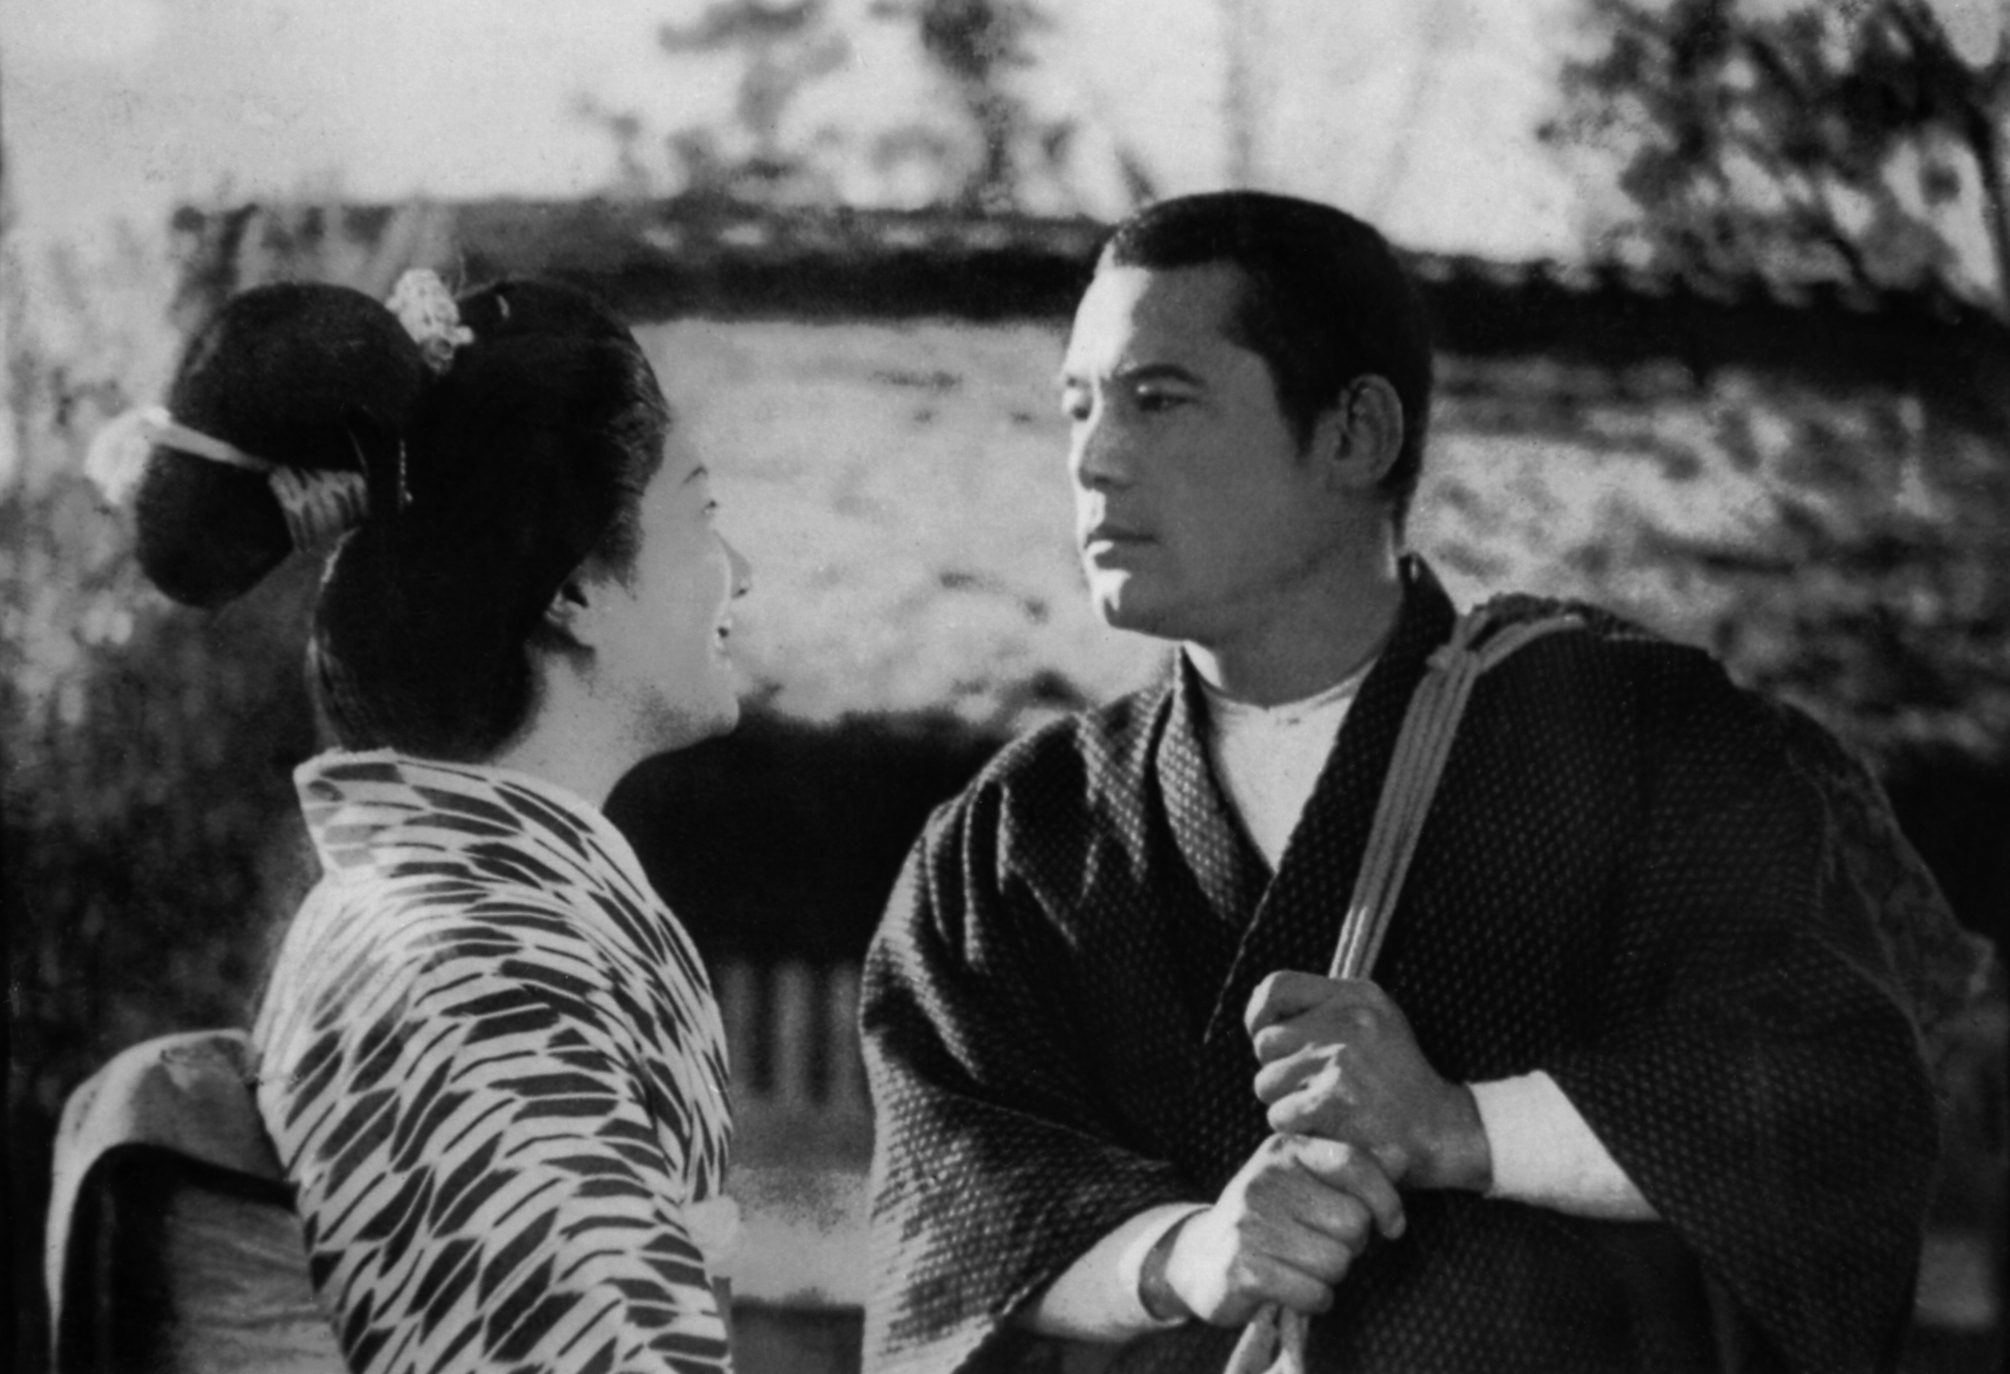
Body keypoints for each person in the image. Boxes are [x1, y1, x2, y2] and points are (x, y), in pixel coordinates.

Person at [861, 192, 1959, 1373]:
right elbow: (945, 1199)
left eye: (1158, 400)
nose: (1094, 458)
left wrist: (1462, 1127)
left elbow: (1829, 1089)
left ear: (1357, 435)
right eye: (1077, 407)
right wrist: (1187, 1255)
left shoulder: (1644, 739)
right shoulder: (1017, 835)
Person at [103, 272, 753, 1373]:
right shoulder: (481, 977)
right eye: (700, 516)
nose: (743, 576)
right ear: (573, 592)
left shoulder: (461, 923)